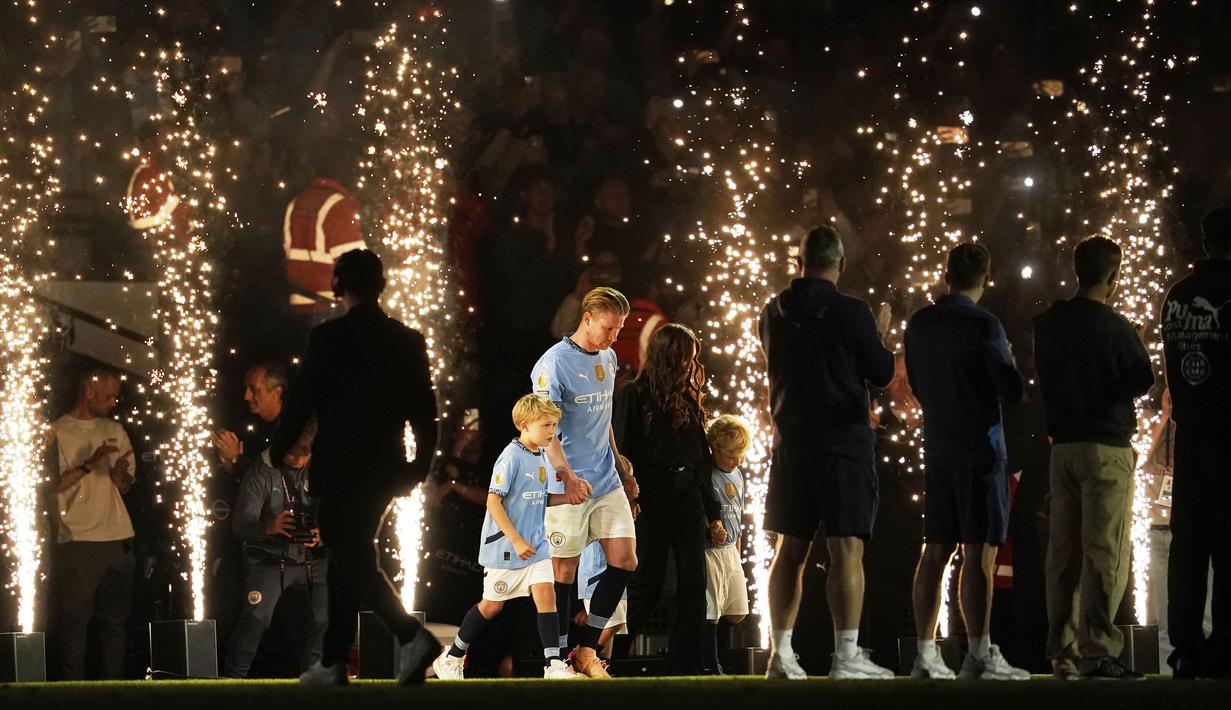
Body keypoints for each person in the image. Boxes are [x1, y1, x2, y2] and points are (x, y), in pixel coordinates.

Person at [271, 249, 441, 687]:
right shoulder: (406, 340)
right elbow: (425, 414)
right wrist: (417, 468)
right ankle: (333, 661)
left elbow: (303, 399)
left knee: (349, 554)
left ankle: (410, 635)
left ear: (339, 285)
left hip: (340, 466)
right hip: (385, 467)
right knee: (348, 555)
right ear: (380, 285)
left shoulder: (328, 337)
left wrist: (278, 447)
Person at [758, 225, 895, 680]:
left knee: (789, 548)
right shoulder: (852, 312)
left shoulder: (772, 312)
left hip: (790, 444)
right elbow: (880, 372)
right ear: (841, 263)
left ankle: (780, 655)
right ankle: (847, 656)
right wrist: (880, 333)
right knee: (846, 547)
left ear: (799, 263)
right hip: (842, 444)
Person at [904, 243, 1029, 681]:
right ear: (986, 279)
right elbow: (1010, 387)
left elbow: (916, 384)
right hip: (980, 451)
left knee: (935, 549)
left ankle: (924, 654)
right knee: (979, 553)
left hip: (939, 447)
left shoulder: (920, 323)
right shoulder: (985, 324)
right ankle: (978, 654)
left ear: (946, 275)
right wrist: (1009, 358)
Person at [1033, 235, 1155, 680]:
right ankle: (1098, 650)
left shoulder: (1049, 323)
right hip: (1105, 447)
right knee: (1104, 552)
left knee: (1063, 554)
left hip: (1062, 446)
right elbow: (1142, 379)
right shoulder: (1115, 326)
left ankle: (1061, 651)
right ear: (1113, 275)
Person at [431, 395, 580, 680]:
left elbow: (537, 499)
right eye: (546, 425)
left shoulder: (541, 455)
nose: (552, 431)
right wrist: (516, 540)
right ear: (524, 425)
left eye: (554, 425)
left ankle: (553, 664)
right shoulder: (510, 457)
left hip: (537, 545)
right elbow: (493, 501)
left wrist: (567, 497)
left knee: (547, 597)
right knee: (491, 606)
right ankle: (452, 657)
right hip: (506, 548)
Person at [532, 286, 640, 678]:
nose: (614, 337)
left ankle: (587, 650)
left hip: (605, 480)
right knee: (563, 572)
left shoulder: (609, 358)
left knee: (624, 560)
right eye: (609, 328)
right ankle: (555, 660)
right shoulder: (553, 364)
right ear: (588, 318)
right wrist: (567, 476)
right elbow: (545, 430)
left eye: (619, 329)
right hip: (567, 485)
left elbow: (604, 417)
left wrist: (621, 466)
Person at [613, 324, 719, 675]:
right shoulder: (634, 395)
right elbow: (623, 451)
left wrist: (713, 511)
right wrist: (630, 497)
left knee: (694, 581)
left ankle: (687, 661)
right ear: (670, 356)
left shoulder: (688, 399)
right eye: (686, 357)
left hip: (687, 495)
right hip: (651, 496)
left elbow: (701, 460)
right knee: (648, 580)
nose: (691, 365)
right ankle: (609, 653)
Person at [1161, 207, 1231, 679]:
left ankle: (1186, 647)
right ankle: (1224, 647)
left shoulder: (1178, 295)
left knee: (1187, 543)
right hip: (1228, 435)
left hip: (1190, 434)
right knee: (1227, 545)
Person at [50, 365, 136, 680]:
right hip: (79, 539)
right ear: (89, 391)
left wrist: (120, 475)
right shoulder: (56, 431)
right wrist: (90, 464)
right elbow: (51, 486)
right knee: (76, 621)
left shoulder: (116, 430)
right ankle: (73, 690)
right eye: (108, 396)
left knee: (115, 621)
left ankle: (113, 689)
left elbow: (124, 486)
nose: (114, 402)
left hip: (118, 537)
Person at [224, 420, 328, 678]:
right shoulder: (261, 472)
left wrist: (322, 534)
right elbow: (240, 523)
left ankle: (313, 680)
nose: (298, 461)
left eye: (305, 455)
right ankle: (231, 681)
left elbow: (342, 513)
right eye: (292, 454)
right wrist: (268, 527)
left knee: (327, 617)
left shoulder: (322, 466)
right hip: (269, 558)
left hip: (310, 558)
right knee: (255, 620)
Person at [282, 144, 367, 317]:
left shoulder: (296, 202)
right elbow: (356, 266)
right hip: (329, 310)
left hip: (296, 308)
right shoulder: (338, 206)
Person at [703, 415, 752, 676]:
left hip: (731, 549)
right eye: (732, 456)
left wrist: (738, 552)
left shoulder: (738, 475)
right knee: (712, 610)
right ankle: (711, 663)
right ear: (715, 448)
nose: (737, 462)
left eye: (740, 456)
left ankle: (703, 647)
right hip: (711, 552)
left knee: (737, 611)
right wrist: (711, 529)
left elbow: (739, 515)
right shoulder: (707, 474)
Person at [212, 361, 288, 480]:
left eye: (254, 389)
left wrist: (236, 459)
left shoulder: (294, 430)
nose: (246, 396)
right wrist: (230, 466)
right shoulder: (250, 424)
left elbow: (276, 482)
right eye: (246, 388)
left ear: (276, 392)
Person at [575, 541, 629, 661]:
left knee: (607, 645)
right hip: (597, 572)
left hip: (618, 572)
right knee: (615, 624)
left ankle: (598, 669)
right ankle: (581, 656)